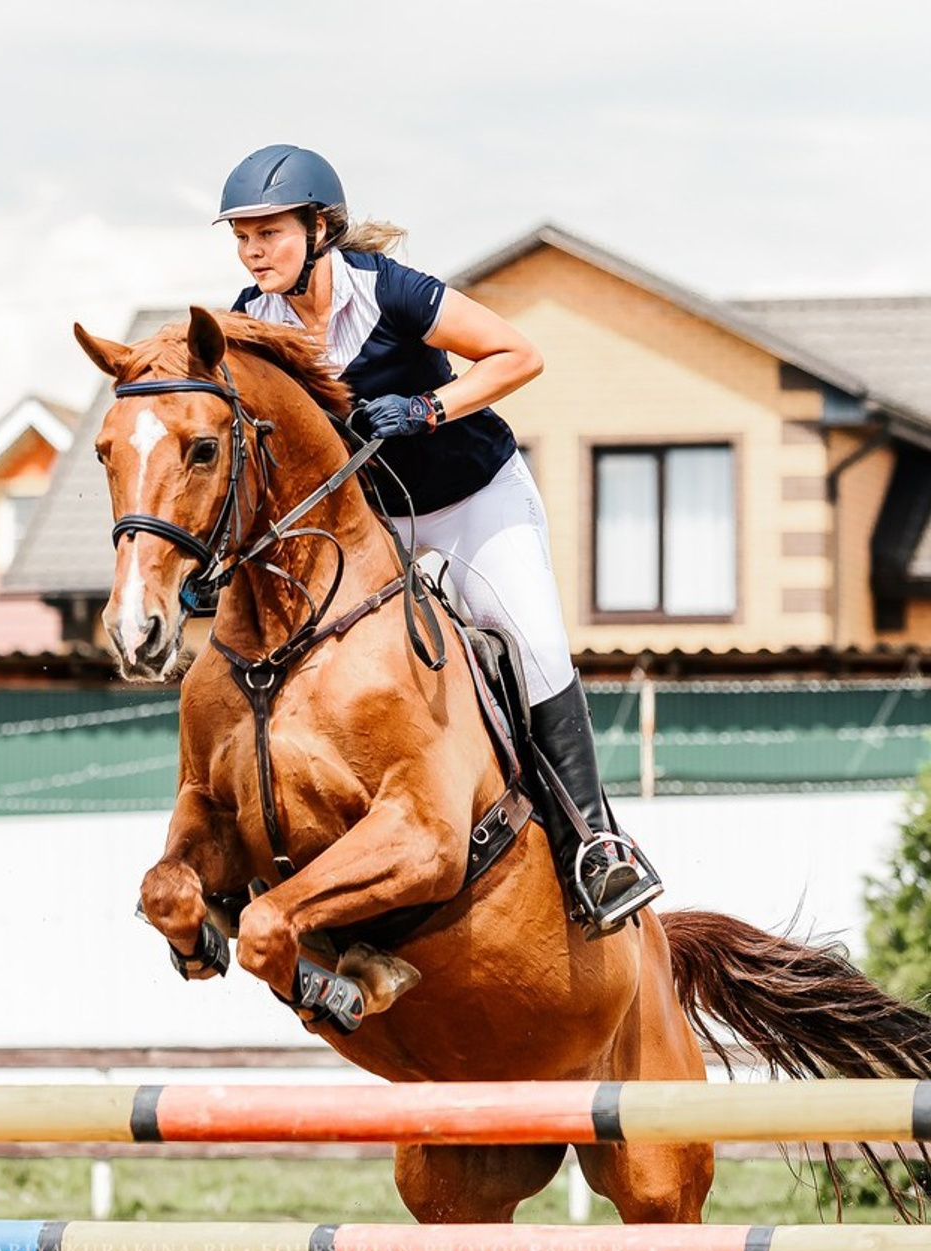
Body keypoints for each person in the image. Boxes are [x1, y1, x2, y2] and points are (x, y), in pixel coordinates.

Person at [214, 143, 662, 940]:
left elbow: (519, 354)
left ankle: (595, 844)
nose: (254, 250)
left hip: (475, 500)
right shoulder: (250, 321)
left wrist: (426, 410)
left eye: (270, 232)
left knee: (532, 643)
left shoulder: (392, 291)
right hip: (378, 525)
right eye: (242, 235)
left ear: (320, 229)